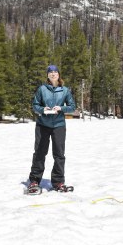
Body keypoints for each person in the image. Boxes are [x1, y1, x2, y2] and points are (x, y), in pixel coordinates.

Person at [27, 65, 76, 193]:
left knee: (59, 155)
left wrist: (61, 108)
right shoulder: (42, 89)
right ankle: (34, 181)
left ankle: (58, 182)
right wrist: (43, 109)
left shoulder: (65, 90)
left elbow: (72, 106)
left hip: (59, 126)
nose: (53, 74)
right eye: (50, 72)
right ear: (48, 75)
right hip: (42, 125)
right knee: (39, 152)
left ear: (58, 75)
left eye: (55, 72)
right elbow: (35, 105)